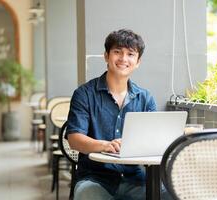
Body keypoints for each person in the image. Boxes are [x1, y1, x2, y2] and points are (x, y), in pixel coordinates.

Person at [66, 29, 164, 200]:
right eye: (117, 52)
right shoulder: (84, 94)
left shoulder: (145, 98)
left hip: (135, 179)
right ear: (106, 56)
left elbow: (152, 141)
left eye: (130, 54)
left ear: (138, 61)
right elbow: (74, 139)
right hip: (95, 178)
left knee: (170, 194)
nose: (123, 59)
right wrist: (105, 145)